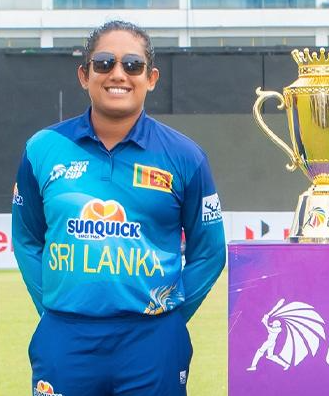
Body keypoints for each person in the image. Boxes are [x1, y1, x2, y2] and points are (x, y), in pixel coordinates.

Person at [12, 20, 226, 396]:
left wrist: (168, 315)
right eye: (104, 63)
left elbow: (209, 252)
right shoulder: (42, 148)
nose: (118, 74)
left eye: (132, 65)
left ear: (151, 77)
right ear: (84, 75)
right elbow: (28, 239)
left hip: (153, 341)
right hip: (65, 336)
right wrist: (53, 306)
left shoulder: (184, 156)